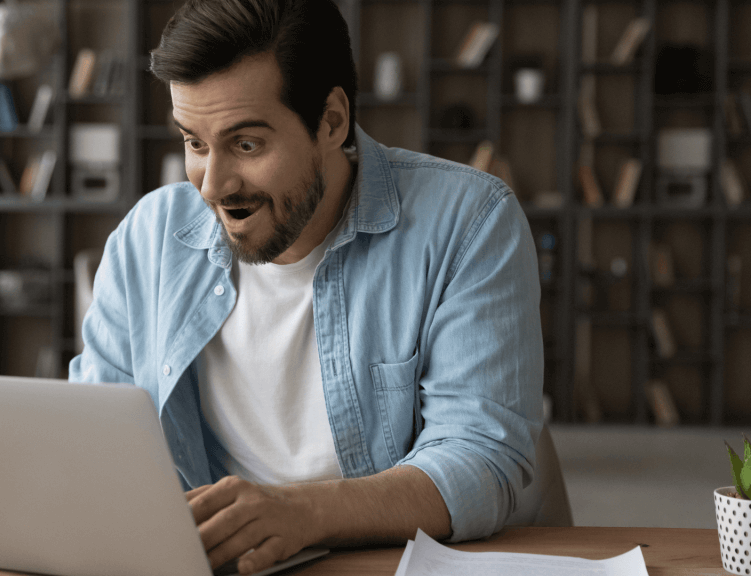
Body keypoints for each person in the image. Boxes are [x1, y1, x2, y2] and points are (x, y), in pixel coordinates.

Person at [68, 0, 543, 573]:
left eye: (246, 144)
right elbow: (93, 439)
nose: (212, 185)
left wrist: (299, 514)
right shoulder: (147, 239)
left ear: (332, 121)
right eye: (194, 143)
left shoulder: (468, 223)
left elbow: (483, 463)